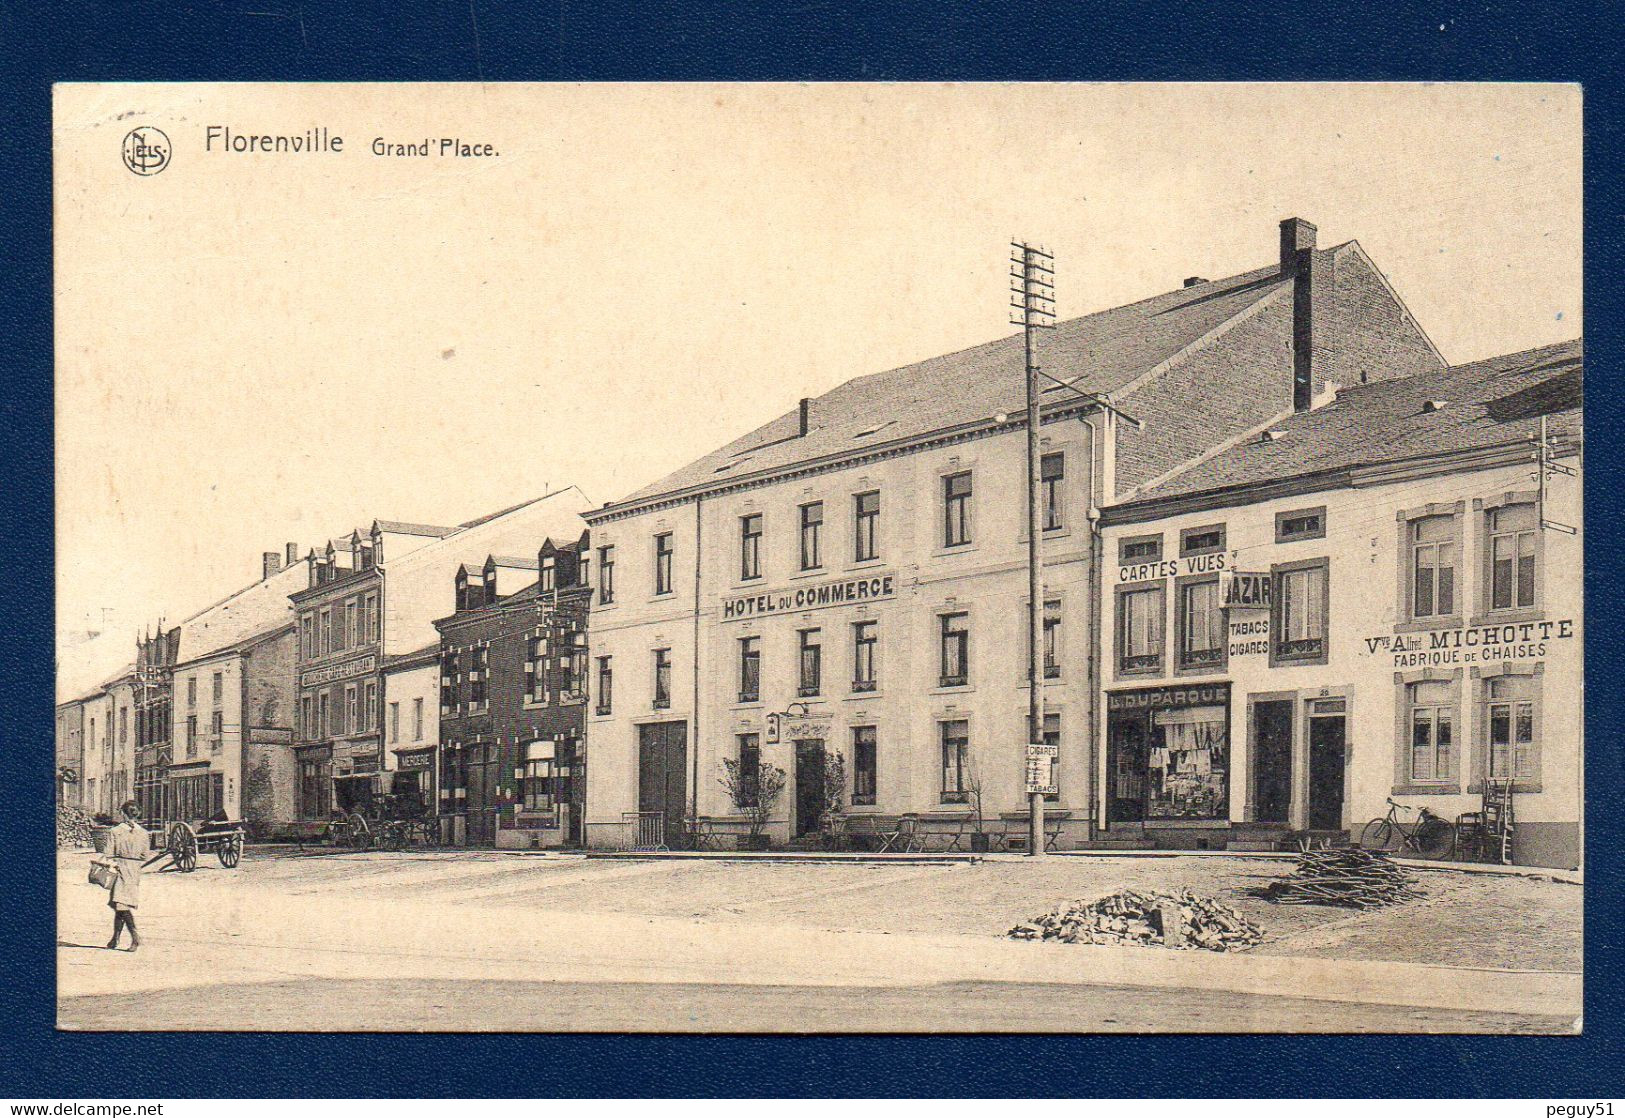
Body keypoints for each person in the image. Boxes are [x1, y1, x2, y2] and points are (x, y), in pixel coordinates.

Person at [105, 799, 148, 952]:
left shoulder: (115, 831)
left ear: (123, 814)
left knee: (121, 904)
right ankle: (115, 939)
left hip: (120, 867)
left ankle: (135, 936)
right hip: (135, 869)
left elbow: (108, 853)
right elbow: (144, 856)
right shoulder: (143, 832)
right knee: (120, 903)